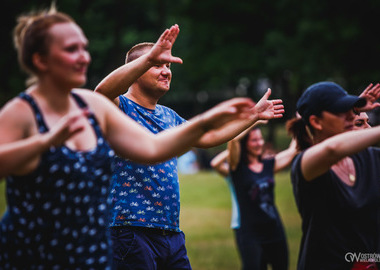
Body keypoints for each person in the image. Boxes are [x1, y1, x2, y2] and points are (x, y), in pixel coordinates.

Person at [0, 6, 278, 269]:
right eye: (72, 49)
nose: (84, 56)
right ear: (40, 59)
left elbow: (164, 145)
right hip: (82, 241)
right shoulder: (35, 111)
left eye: (84, 48)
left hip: (117, 243)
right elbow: (103, 92)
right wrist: (45, 143)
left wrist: (233, 117)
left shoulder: (107, 107)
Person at [94, 33, 284, 269]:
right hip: (130, 232)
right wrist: (148, 58)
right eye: (157, 65)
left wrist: (253, 116)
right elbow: (100, 94)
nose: (166, 71)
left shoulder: (169, 115)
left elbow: (208, 137)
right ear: (135, 71)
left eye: (167, 65)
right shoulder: (119, 108)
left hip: (171, 233)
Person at [286, 81, 380, 270]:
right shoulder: (306, 164)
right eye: (340, 111)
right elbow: (331, 149)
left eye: (350, 109)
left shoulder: (370, 158)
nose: (350, 116)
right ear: (316, 122)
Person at [211, 125, 297, 270]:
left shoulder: (269, 165)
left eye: (260, 139)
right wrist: (253, 119)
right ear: (245, 144)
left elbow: (292, 151)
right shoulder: (237, 169)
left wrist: (301, 124)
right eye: (254, 140)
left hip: (274, 229)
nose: (259, 143)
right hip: (250, 234)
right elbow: (233, 141)